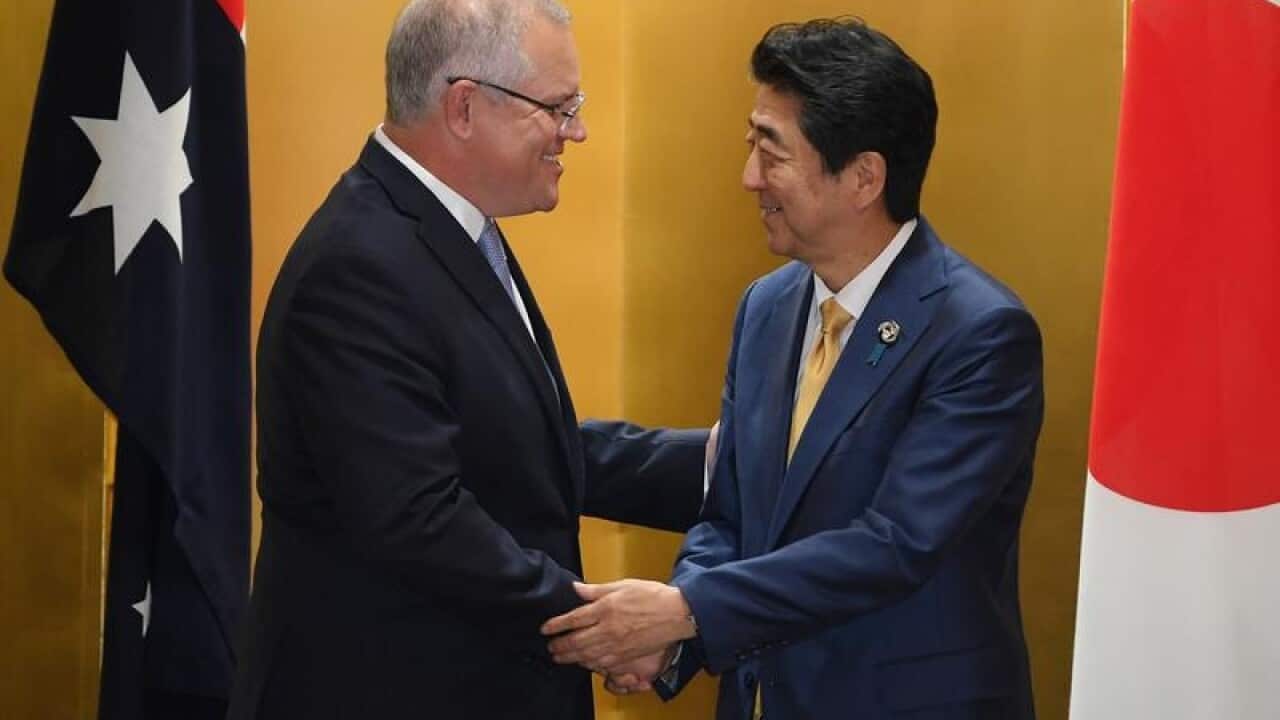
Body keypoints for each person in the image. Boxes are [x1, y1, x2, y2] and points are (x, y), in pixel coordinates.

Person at [542, 17, 1044, 720]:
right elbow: (730, 510)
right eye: (751, 144)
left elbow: (894, 544)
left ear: (863, 178)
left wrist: (686, 611)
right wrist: (681, 633)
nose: (749, 178)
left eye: (771, 152)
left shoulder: (980, 333)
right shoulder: (767, 307)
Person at [227, 1, 707, 718]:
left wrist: (726, 465)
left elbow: (513, 451)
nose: (576, 131)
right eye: (558, 107)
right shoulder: (359, 266)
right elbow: (417, 518)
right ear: (464, 107)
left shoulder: (441, 230)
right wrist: (599, 627)